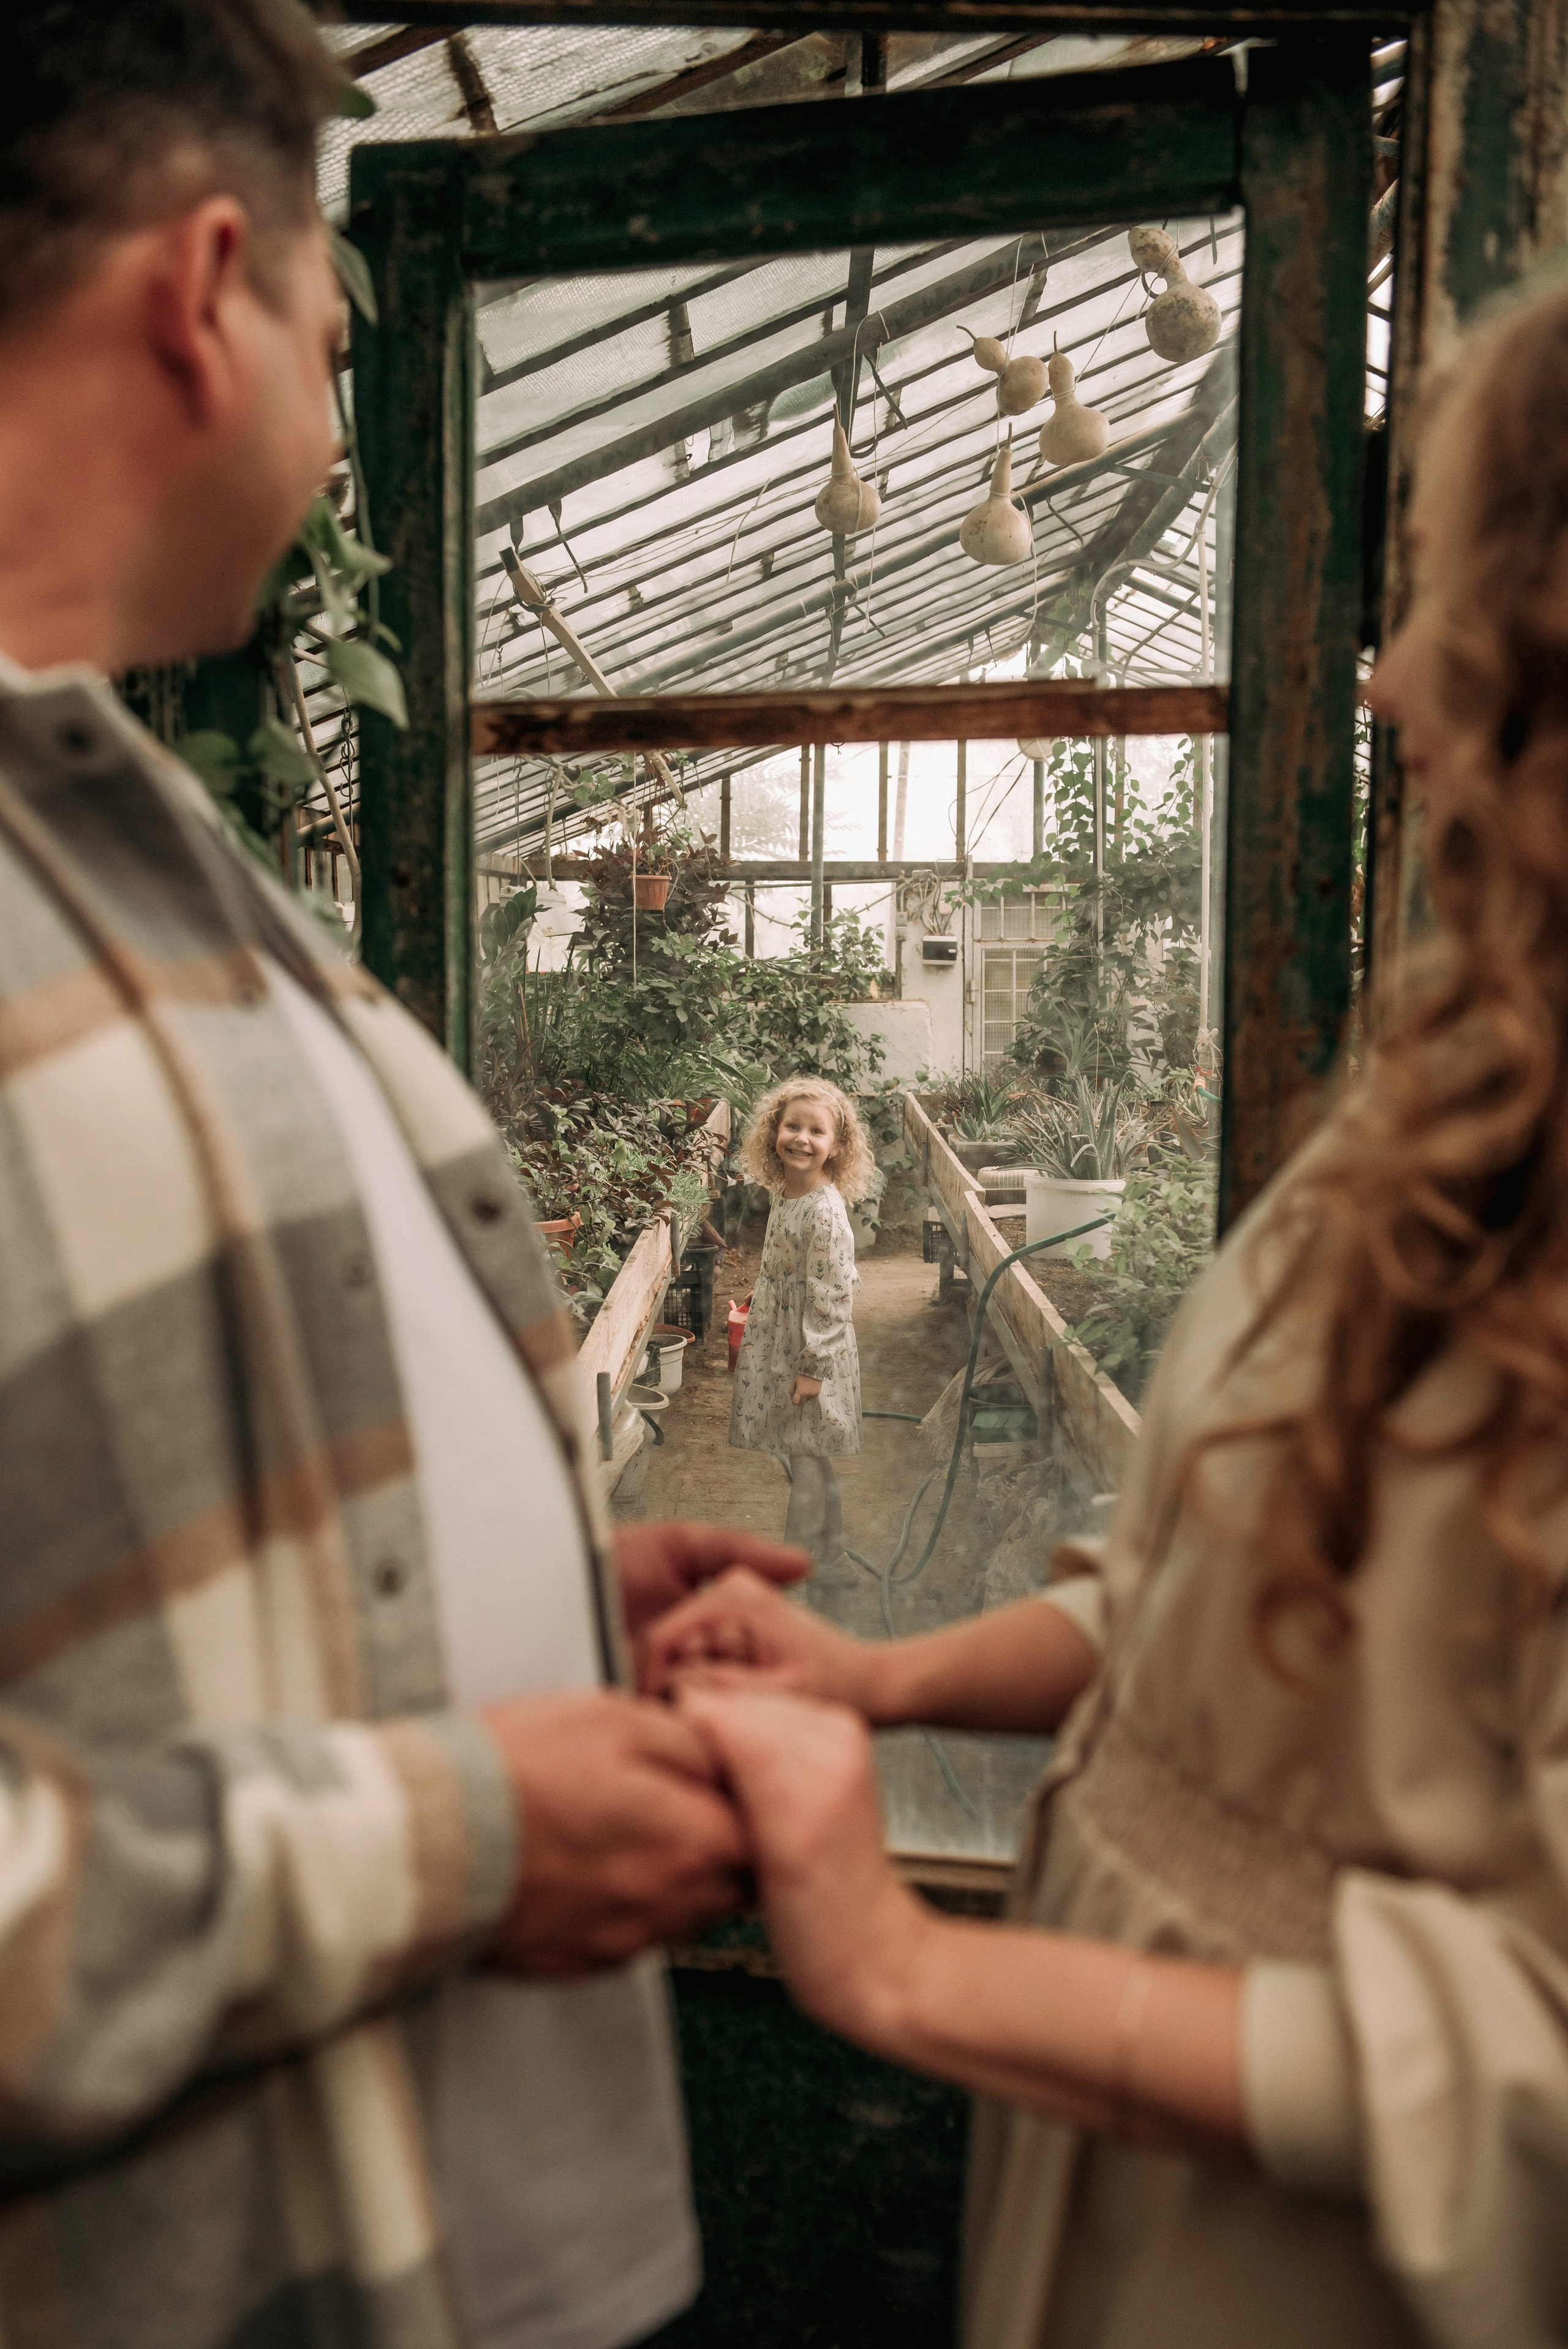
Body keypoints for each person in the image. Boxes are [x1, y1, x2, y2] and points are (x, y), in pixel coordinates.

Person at [641, 276, 1568, 2349]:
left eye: (1457, 607)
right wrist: (874, 1682)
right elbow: (1215, 1589)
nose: (1394, 682)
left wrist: (898, 1963)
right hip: (1124, 2165)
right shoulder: (1435, 1120)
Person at [0, 7, 810, 2347]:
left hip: (438, 2241)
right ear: (205, 283)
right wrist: (453, 1828)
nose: (343, 434)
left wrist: (510, 1591)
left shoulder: (125, 821)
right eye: (337, 347)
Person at [729, 1079, 872, 1575]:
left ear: (837, 1146)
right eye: (793, 1126)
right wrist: (763, 1287)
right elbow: (788, 1262)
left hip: (813, 1350)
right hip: (786, 1337)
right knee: (807, 1451)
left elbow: (832, 1297)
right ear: (775, 1131)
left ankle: (790, 1572)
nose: (802, 1139)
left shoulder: (825, 1211)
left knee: (806, 1459)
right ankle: (832, 1560)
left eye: (817, 1131)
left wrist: (814, 1368)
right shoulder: (787, 1192)